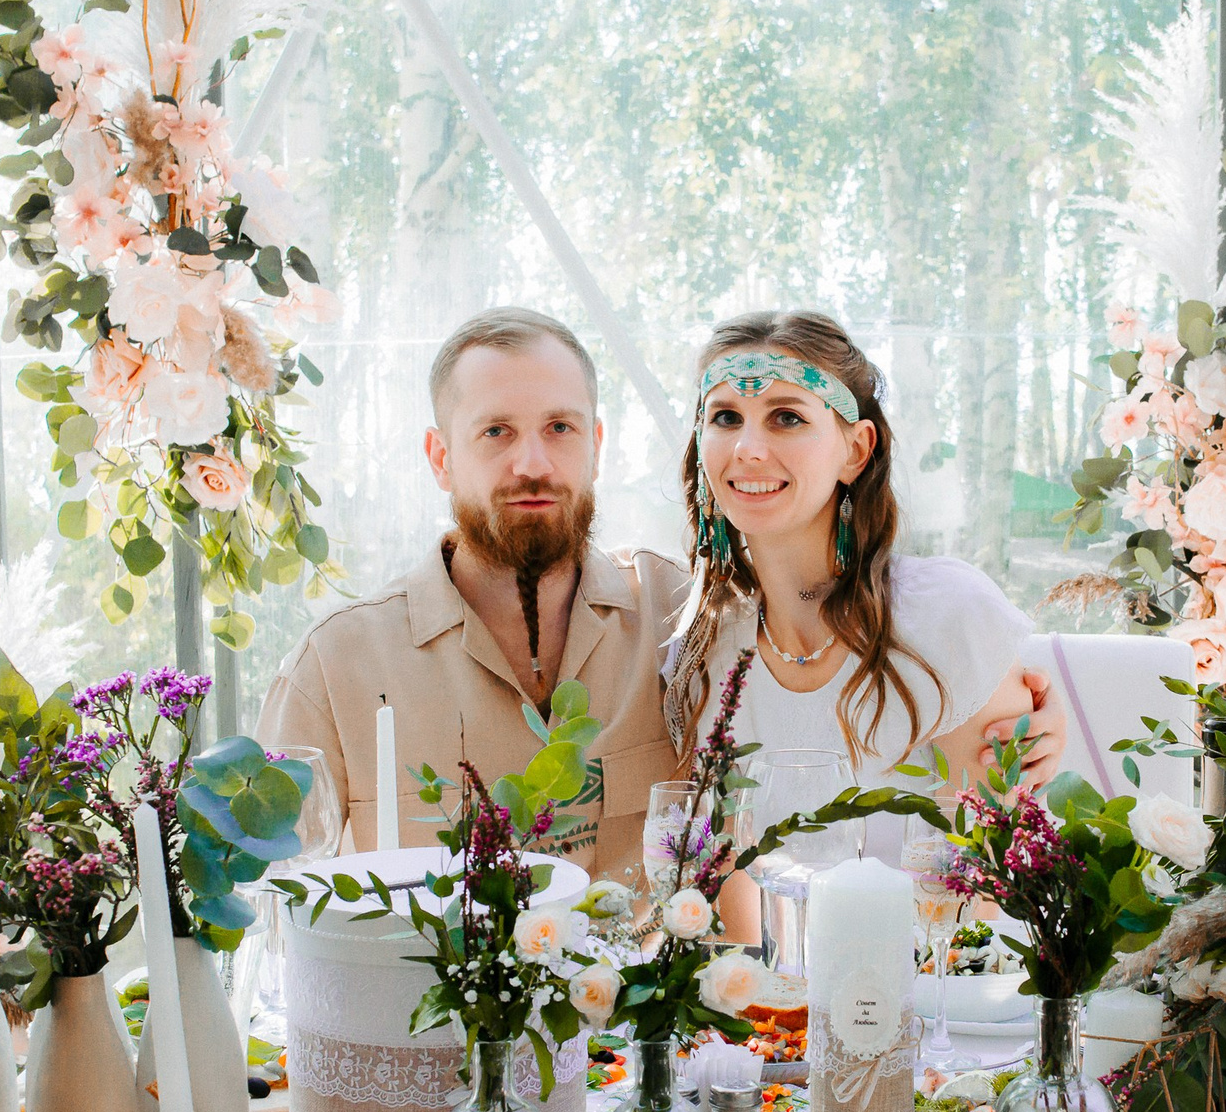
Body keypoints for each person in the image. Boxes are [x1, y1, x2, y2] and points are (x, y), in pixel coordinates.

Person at [257, 306, 1066, 879]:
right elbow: (270, 894)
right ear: (439, 456)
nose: (531, 462)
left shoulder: (678, 619)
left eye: (560, 428)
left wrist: (1011, 693)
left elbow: (998, 843)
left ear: (598, 445)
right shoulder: (336, 667)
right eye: (496, 432)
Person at [664, 311, 1038, 868]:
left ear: (855, 451)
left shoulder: (949, 619)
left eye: (786, 417)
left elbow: (985, 888)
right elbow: (713, 890)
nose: (746, 448)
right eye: (724, 417)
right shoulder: (700, 653)